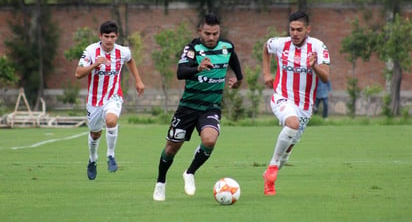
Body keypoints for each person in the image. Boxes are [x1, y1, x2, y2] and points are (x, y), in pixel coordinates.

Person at [153, 13, 243, 201]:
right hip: (188, 108)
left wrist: (237, 81)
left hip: (211, 106)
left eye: (215, 33)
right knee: (171, 149)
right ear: (200, 31)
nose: (211, 38)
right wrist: (198, 69)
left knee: (210, 140)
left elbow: (235, 66)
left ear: (219, 32)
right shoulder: (192, 49)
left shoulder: (227, 47)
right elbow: (180, 72)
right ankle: (161, 182)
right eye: (207, 33)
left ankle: (190, 172)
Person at [262, 11, 330, 195]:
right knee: (292, 123)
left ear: (308, 29)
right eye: (292, 29)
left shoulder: (318, 46)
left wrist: (314, 66)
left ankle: (271, 175)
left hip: (305, 106)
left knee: (288, 150)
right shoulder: (280, 43)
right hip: (281, 96)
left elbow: (325, 77)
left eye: (299, 29)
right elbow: (265, 47)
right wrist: (267, 73)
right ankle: (272, 167)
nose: (295, 33)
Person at [75, 21, 145, 180]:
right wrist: (95, 64)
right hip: (94, 101)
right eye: (106, 36)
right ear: (100, 36)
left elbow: (130, 60)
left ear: (116, 37)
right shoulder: (91, 51)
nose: (109, 40)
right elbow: (78, 73)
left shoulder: (123, 51)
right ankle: (92, 159)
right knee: (95, 134)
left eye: (112, 37)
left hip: (113, 96)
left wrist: (138, 81)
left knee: (111, 121)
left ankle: (111, 156)